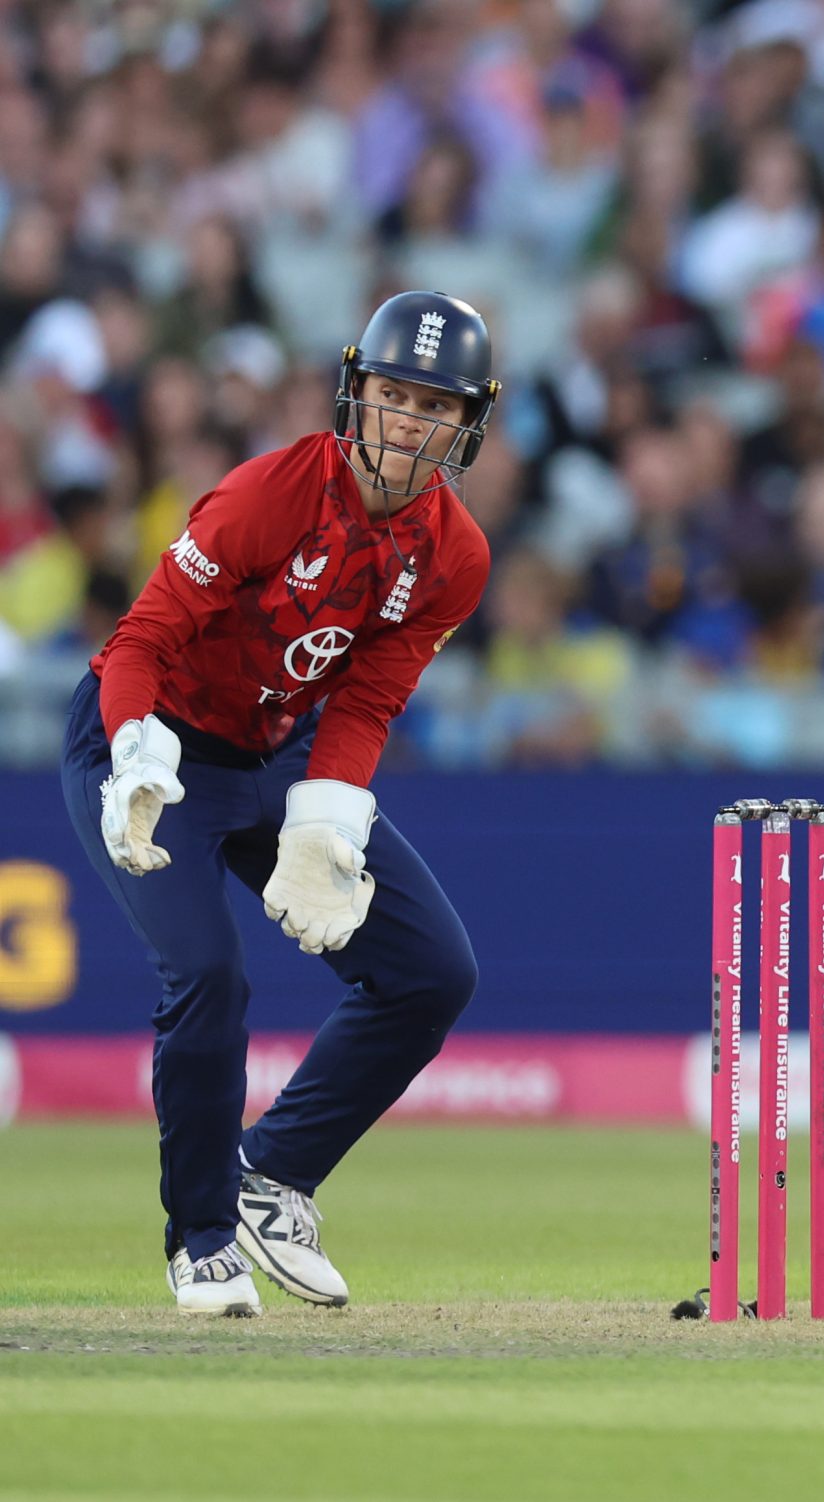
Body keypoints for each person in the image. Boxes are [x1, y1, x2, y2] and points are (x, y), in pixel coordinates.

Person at [59, 291, 499, 1316]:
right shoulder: (268, 494)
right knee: (207, 973)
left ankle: (273, 1174)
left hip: (275, 750)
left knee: (432, 971)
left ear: (467, 424)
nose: (408, 423)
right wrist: (132, 748)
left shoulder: (456, 555)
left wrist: (328, 811)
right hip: (150, 738)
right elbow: (140, 639)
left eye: (435, 406)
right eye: (394, 395)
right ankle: (202, 1235)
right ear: (356, 390)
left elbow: (369, 699)